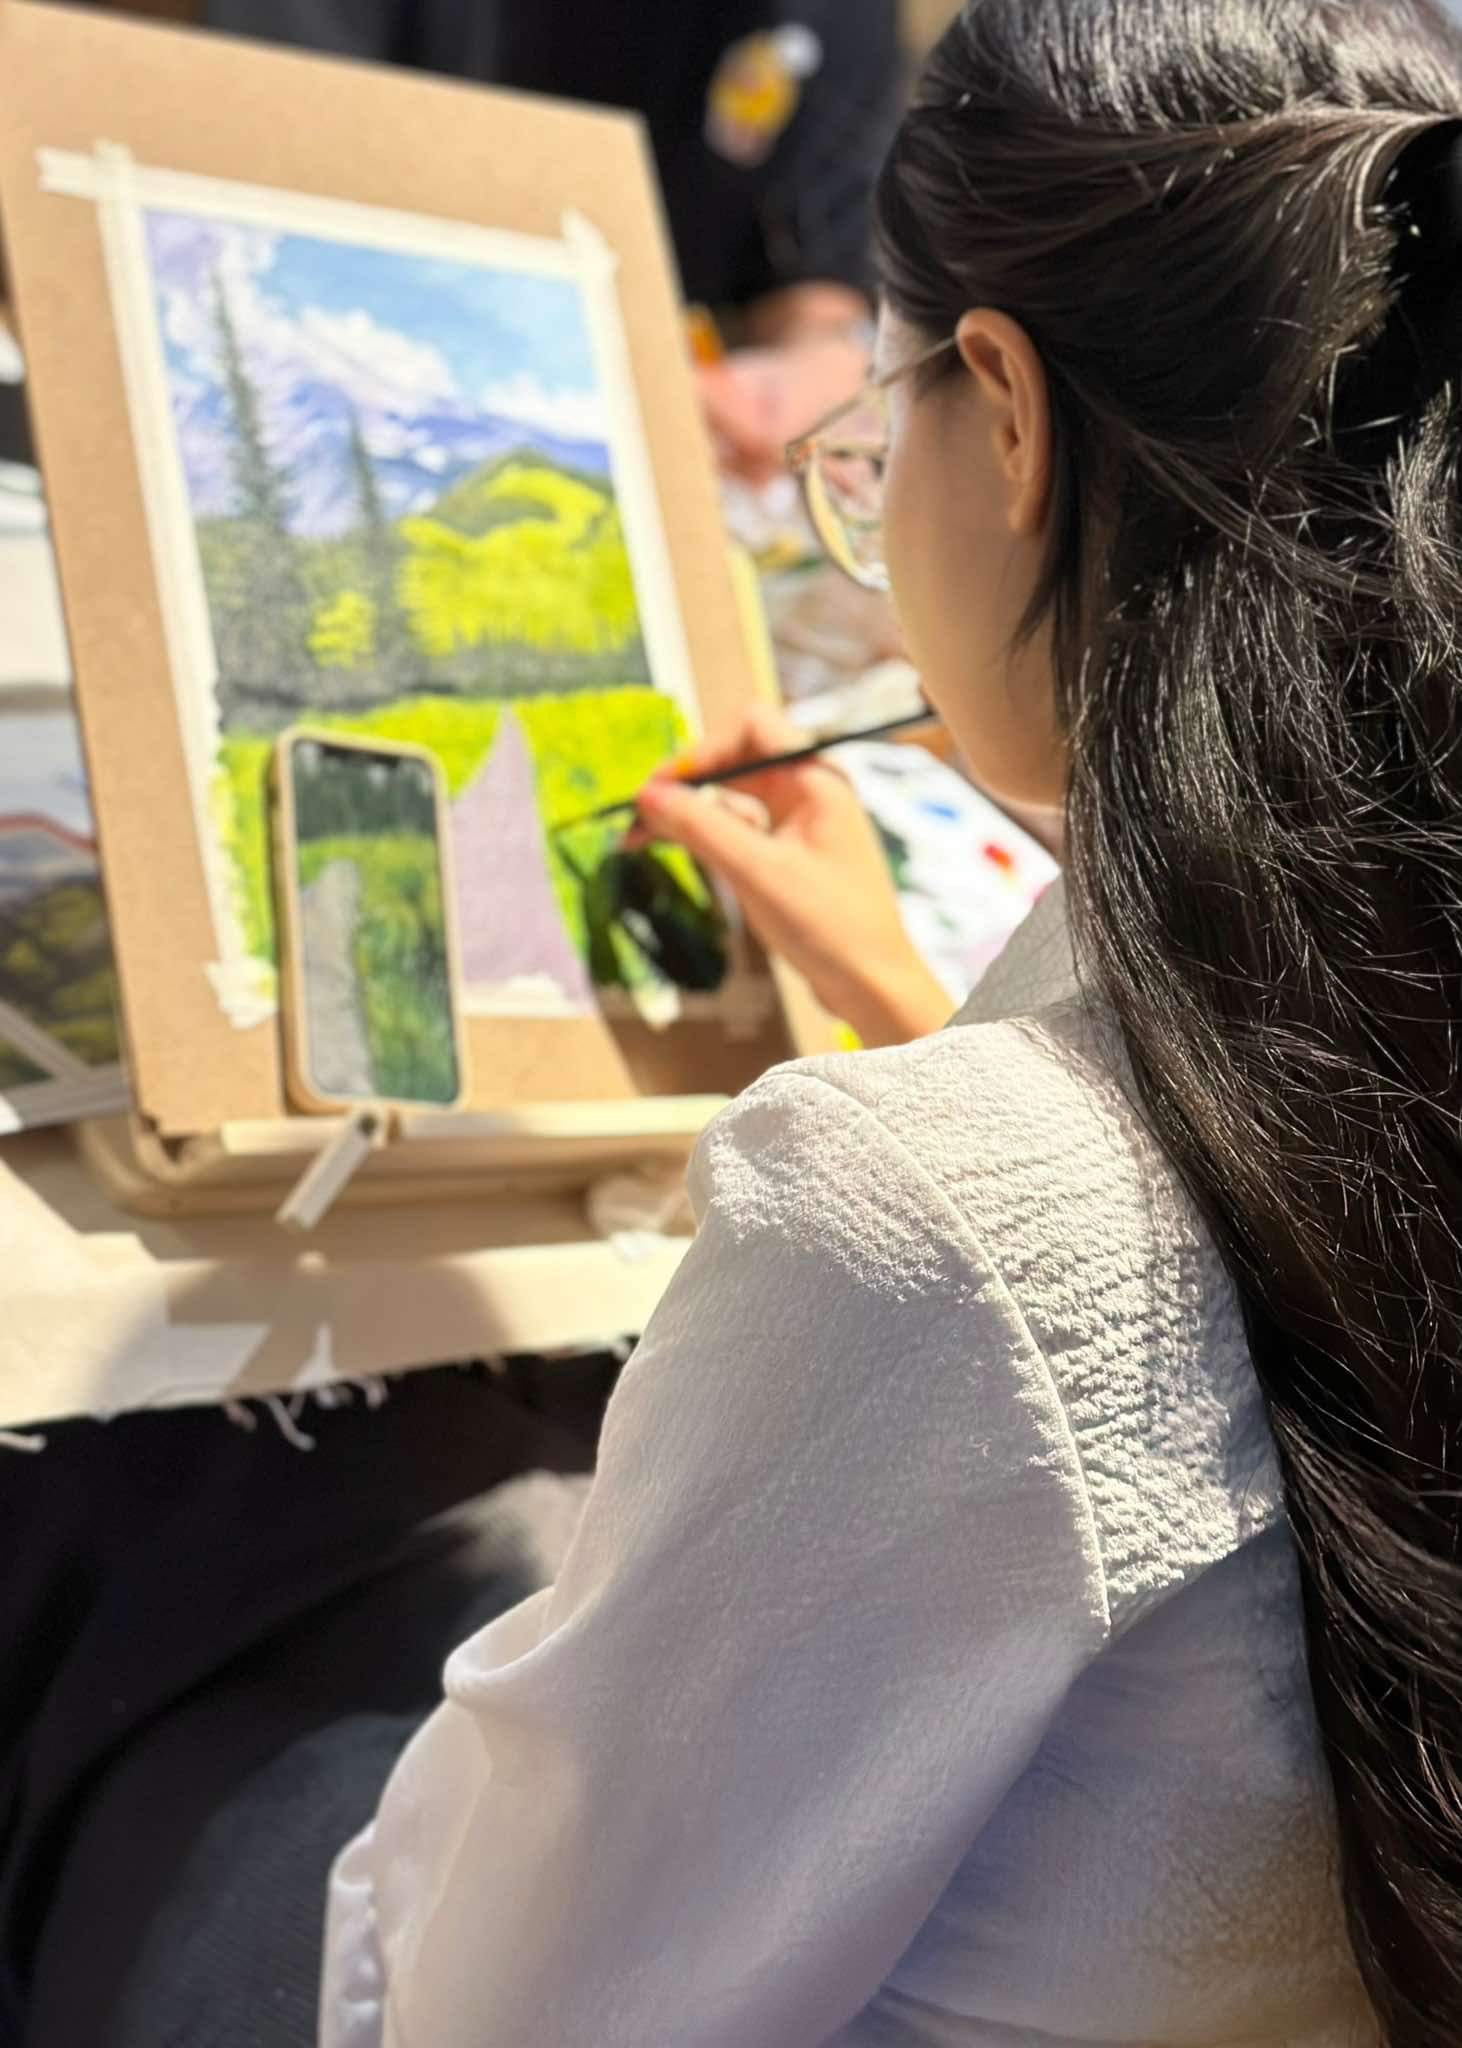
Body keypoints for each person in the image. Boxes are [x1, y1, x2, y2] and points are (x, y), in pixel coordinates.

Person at [40, 0, 1462, 2040]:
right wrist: (910, 994)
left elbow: (486, 2004)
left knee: (131, 1562)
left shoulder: (914, 1223)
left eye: (875, 430)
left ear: (1002, 409)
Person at [203, 0, 900, 478]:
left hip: (683, 446)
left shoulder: (838, 19)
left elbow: (821, 262)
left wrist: (820, 357)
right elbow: (275, 186)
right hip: (364, 392)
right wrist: (570, 372)